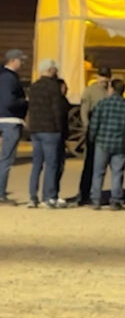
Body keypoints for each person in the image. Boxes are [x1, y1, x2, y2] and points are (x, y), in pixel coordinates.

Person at [88, 79, 125, 211]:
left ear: (111, 89)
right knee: (117, 173)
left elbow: (94, 124)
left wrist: (92, 139)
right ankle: (116, 200)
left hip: (102, 142)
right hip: (121, 143)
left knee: (98, 172)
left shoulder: (102, 104)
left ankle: (96, 200)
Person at [27, 59, 68, 209]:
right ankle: (49, 197)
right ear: (50, 70)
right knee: (51, 164)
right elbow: (57, 111)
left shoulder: (34, 87)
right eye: (55, 70)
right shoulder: (53, 87)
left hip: (35, 129)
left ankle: (33, 197)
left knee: (36, 165)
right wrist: (60, 129)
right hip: (50, 130)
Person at [76, 67, 111, 206]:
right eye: (102, 76)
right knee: (90, 163)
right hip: (93, 128)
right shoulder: (90, 90)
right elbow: (84, 110)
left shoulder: (110, 91)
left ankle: (97, 193)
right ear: (97, 77)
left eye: (106, 77)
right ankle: (84, 193)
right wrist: (87, 126)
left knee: (103, 164)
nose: (104, 79)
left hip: (106, 129)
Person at [0, 49, 28, 205]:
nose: (22, 63)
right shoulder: (9, 78)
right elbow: (9, 101)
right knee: (6, 159)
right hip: (10, 119)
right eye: (21, 60)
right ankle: (0, 193)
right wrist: (25, 101)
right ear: (13, 60)